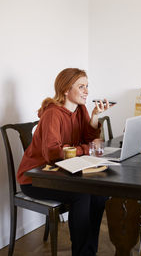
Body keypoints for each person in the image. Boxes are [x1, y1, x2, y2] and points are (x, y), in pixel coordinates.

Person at [17, 68, 113, 256]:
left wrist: (94, 116)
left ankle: (89, 251)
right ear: (66, 90)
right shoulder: (53, 114)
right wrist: (87, 149)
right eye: (81, 86)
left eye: (87, 86)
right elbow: (53, 153)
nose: (87, 91)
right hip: (35, 178)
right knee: (82, 195)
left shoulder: (80, 109)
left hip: (60, 172)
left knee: (100, 194)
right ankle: (81, 252)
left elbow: (89, 138)